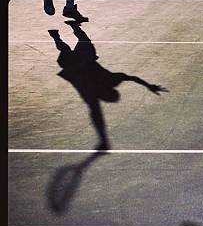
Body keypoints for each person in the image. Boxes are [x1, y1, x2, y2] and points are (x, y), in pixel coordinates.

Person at [48, 21, 167, 150]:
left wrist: (148, 85)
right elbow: (97, 117)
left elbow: (131, 78)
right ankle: (57, 35)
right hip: (76, 63)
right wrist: (103, 140)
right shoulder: (95, 92)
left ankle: (72, 27)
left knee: (80, 42)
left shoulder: (109, 82)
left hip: (82, 60)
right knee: (67, 48)